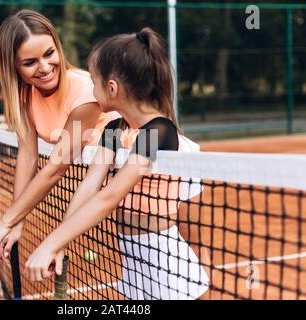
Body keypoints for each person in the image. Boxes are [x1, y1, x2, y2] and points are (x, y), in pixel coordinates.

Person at [25, 28, 210, 300]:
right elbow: (90, 186)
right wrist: (59, 242)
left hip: (168, 264)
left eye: (94, 82)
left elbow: (110, 196)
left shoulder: (158, 132)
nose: (90, 89)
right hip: (134, 262)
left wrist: (49, 243)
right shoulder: (113, 128)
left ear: (111, 88)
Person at [0, 9, 120, 261]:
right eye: (29, 62)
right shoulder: (23, 97)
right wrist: (17, 223)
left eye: (49, 53)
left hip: (137, 165)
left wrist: (6, 221)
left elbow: (56, 167)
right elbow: (27, 157)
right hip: (100, 173)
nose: (44, 67)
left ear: (58, 47)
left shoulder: (85, 94)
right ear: (13, 66)